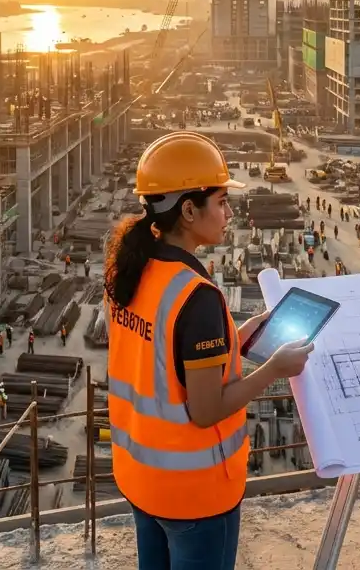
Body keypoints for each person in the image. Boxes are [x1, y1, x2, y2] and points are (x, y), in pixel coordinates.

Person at [107, 131, 313, 570]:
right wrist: (275, 367)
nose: (229, 213)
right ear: (188, 209)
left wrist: (232, 337)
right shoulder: (195, 297)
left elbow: (161, 360)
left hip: (143, 480)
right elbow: (205, 409)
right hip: (193, 495)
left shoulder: (131, 273)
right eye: (221, 202)